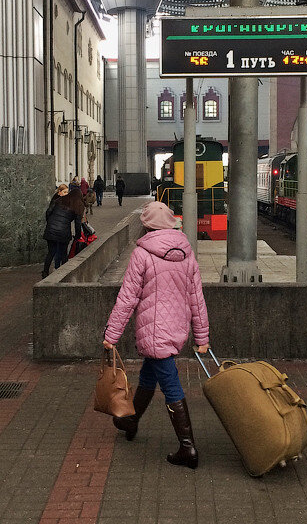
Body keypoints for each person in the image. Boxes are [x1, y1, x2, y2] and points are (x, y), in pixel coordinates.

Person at [102, 201, 210, 469]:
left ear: (147, 225)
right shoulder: (187, 253)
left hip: (152, 330)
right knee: (149, 375)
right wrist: (201, 337)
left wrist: (111, 335)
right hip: (175, 330)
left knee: (170, 384)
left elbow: (127, 298)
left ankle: (188, 448)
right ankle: (131, 420)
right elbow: (197, 298)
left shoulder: (142, 254)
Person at [41, 185, 84, 278]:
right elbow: (78, 223)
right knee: (63, 253)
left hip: (51, 230)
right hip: (63, 231)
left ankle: (45, 272)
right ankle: (63, 274)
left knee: (51, 252)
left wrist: (50, 223)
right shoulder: (78, 205)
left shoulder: (60, 200)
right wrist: (77, 236)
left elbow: (48, 212)